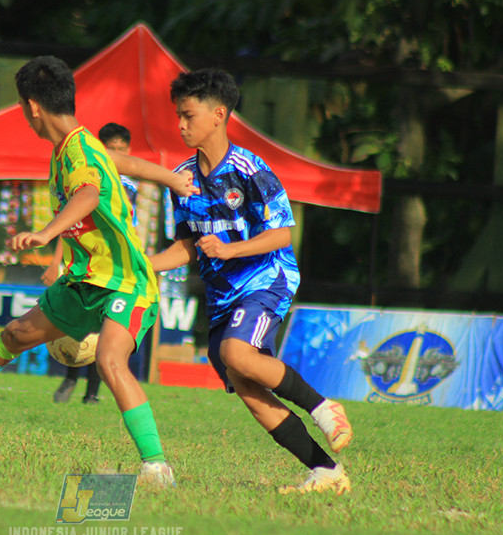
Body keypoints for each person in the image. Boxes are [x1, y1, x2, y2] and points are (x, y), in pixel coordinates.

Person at [0, 56, 197, 487]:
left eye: (20, 106)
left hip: (126, 281)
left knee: (109, 361)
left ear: (32, 107)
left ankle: (157, 467)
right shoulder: (78, 148)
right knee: (16, 334)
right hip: (84, 280)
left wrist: (47, 231)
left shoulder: (79, 151)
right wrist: (171, 178)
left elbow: (88, 193)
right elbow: (121, 166)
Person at [149, 68, 354, 495]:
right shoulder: (181, 178)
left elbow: (283, 233)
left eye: (187, 115)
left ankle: (321, 405)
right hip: (222, 296)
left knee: (236, 354)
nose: (180, 124)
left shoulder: (250, 168)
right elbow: (186, 246)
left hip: (266, 279)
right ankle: (326, 470)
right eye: (177, 115)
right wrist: (147, 265)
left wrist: (229, 250)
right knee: (244, 382)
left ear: (219, 114)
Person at [46, 122, 137, 405]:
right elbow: (72, 221)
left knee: (101, 332)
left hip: (113, 268)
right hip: (84, 264)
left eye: (122, 150)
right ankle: (70, 379)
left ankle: (92, 393)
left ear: (129, 151)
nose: (116, 153)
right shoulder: (84, 176)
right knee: (74, 323)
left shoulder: (127, 186)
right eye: (111, 148)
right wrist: (55, 262)